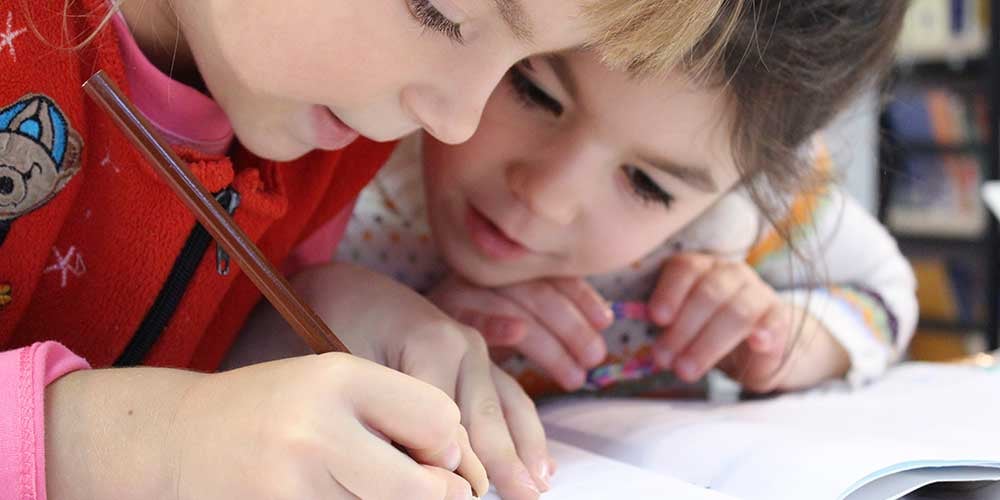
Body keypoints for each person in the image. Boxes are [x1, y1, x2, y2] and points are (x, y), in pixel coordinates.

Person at [0, 0, 742, 499]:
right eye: (440, 11)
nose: (454, 123)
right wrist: (140, 448)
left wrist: (299, 318)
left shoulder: (322, 132)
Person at [262, 1, 915, 401]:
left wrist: (791, 340)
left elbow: (885, 291)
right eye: (535, 93)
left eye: (648, 186)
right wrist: (375, 330)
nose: (546, 198)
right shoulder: (349, 142)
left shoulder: (739, 220)